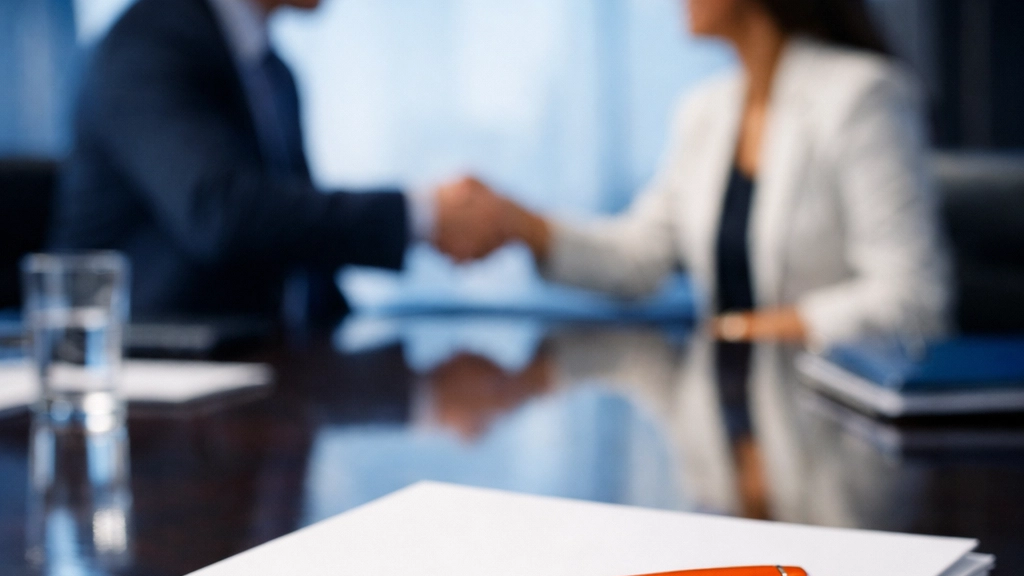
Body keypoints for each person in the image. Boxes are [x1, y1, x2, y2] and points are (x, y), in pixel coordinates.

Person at [455, 0, 952, 351]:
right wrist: (522, 226)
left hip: (832, 425)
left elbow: (911, 299)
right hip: (730, 419)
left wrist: (744, 332)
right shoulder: (705, 111)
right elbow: (641, 258)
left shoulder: (862, 97)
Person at [50, 0, 492, 326]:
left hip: (274, 362)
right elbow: (219, 211)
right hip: (162, 392)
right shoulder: (148, 41)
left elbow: (293, 243)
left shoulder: (273, 72)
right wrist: (422, 216)